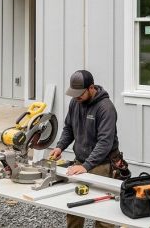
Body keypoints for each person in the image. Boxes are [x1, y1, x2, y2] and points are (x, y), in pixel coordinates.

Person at [50, 70, 122, 228]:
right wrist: (60, 146)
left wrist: (86, 166)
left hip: (103, 165)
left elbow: (105, 143)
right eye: (74, 94)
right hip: (81, 163)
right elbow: (69, 128)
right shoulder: (75, 102)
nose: (76, 98)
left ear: (91, 88)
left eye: (80, 94)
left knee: (104, 211)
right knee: (75, 205)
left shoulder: (106, 108)